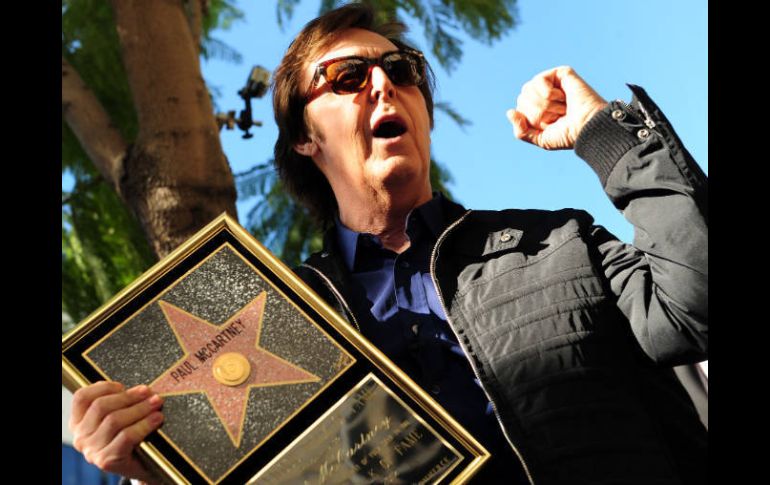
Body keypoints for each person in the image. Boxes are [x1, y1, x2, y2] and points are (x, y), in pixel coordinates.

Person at [69, 4, 707, 484]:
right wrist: (157, 465)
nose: (382, 83)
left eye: (400, 70)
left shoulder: (559, 240)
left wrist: (605, 134)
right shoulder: (273, 318)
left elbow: (694, 306)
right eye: (347, 76)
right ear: (303, 138)